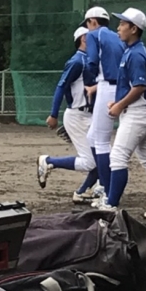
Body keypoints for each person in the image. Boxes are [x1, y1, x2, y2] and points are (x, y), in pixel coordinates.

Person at [97, 8, 146, 220]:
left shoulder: (136, 54)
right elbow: (133, 86)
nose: (119, 27)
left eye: (123, 24)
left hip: (138, 113)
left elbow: (139, 87)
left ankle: (110, 207)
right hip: (141, 111)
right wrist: (119, 102)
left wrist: (119, 105)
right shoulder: (132, 50)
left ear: (134, 29)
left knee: (117, 157)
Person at [37, 27, 99, 203]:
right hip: (77, 116)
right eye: (91, 37)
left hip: (90, 116)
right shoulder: (77, 61)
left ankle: (84, 191)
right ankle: (49, 161)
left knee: (103, 158)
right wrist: (53, 114)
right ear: (83, 39)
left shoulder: (92, 60)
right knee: (91, 162)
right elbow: (61, 87)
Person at [82, 5, 126, 202]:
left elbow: (92, 61)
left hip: (107, 86)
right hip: (120, 86)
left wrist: (89, 78)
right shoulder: (117, 36)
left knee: (100, 140)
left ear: (93, 21)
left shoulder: (94, 34)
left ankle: (107, 190)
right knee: (92, 137)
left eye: (87, 23)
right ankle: (104, 183)